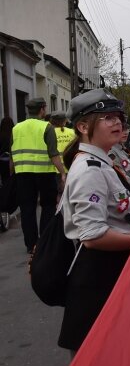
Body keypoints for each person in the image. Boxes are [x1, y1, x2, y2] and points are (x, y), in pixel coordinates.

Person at [58, 89, 130, 354]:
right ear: (83, 126)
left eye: (118, 116)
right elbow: (92, 236)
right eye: (106, 117)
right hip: (97, 279)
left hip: (108, 271)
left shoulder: (101, 162)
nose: (117, 122)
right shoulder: (90, 170)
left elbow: (114, 213)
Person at [11, 98, 67, 253]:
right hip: (44, 173)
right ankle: (44, 241)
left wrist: (12, 173)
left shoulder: (16, 128)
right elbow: (53, 154)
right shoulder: (46, 127)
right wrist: (62, 173)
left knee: (27, 208)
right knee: (48, 205)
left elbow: (12, 153)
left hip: (23, 173)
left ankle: (31, 245)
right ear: (42, 109)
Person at [0, 117, 13, 232]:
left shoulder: (1, 136)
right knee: (8, 185)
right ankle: (7, 203)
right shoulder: (12, 135)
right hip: (9, 163)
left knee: (3, 182)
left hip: (1, 164)